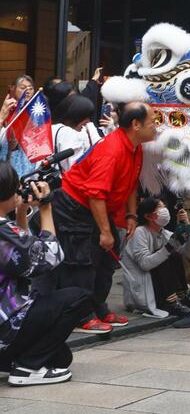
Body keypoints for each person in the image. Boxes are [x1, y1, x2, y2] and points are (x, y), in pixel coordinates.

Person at [51, 101, 156, 334]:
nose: (156, 127)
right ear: (136, 124)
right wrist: (105, 231)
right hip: (75, 206)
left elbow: (131, 182)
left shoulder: (135, 146)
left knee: (107, 259)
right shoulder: (112, 149)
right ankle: (80, 316)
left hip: (98, 208)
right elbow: (95, 194)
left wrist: (130, 214)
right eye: (152, 122)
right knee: (82, 262)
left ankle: (98, 307)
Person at [0, 162, 93, 386]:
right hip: (7, 327)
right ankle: (27, 369)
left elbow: (21, 258)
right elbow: (50, 257)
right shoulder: (3, 231)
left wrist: (21, 210)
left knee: (61, 358)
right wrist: (45, 208)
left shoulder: (6, 231)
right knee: (80, 296)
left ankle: (24, 361)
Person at [121, 197, 190, 318]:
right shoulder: (139, 233)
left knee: (174, 255)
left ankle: (180, 297)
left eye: (165, 207)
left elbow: (187, 252)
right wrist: (168, 248)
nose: (165, 210)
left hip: (158, 285)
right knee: (166, 254)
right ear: (148, 216)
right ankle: (170, 302)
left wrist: (187, 226)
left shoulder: (164, 233)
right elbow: (145, 264)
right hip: (144, 286)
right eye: (160, 208)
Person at [51, 95, 101, 171]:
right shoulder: (68, 133)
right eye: (86, 117)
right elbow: (74, 167)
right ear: (75, 116)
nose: (88, 122)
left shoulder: (52, 128)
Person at [0, 76, 37, 177]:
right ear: (12, 88)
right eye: (22, 87)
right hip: (8, 162)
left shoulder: (36, 111)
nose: (27, 91)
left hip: (30, 162)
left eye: (30, 88)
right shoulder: (8, 110)